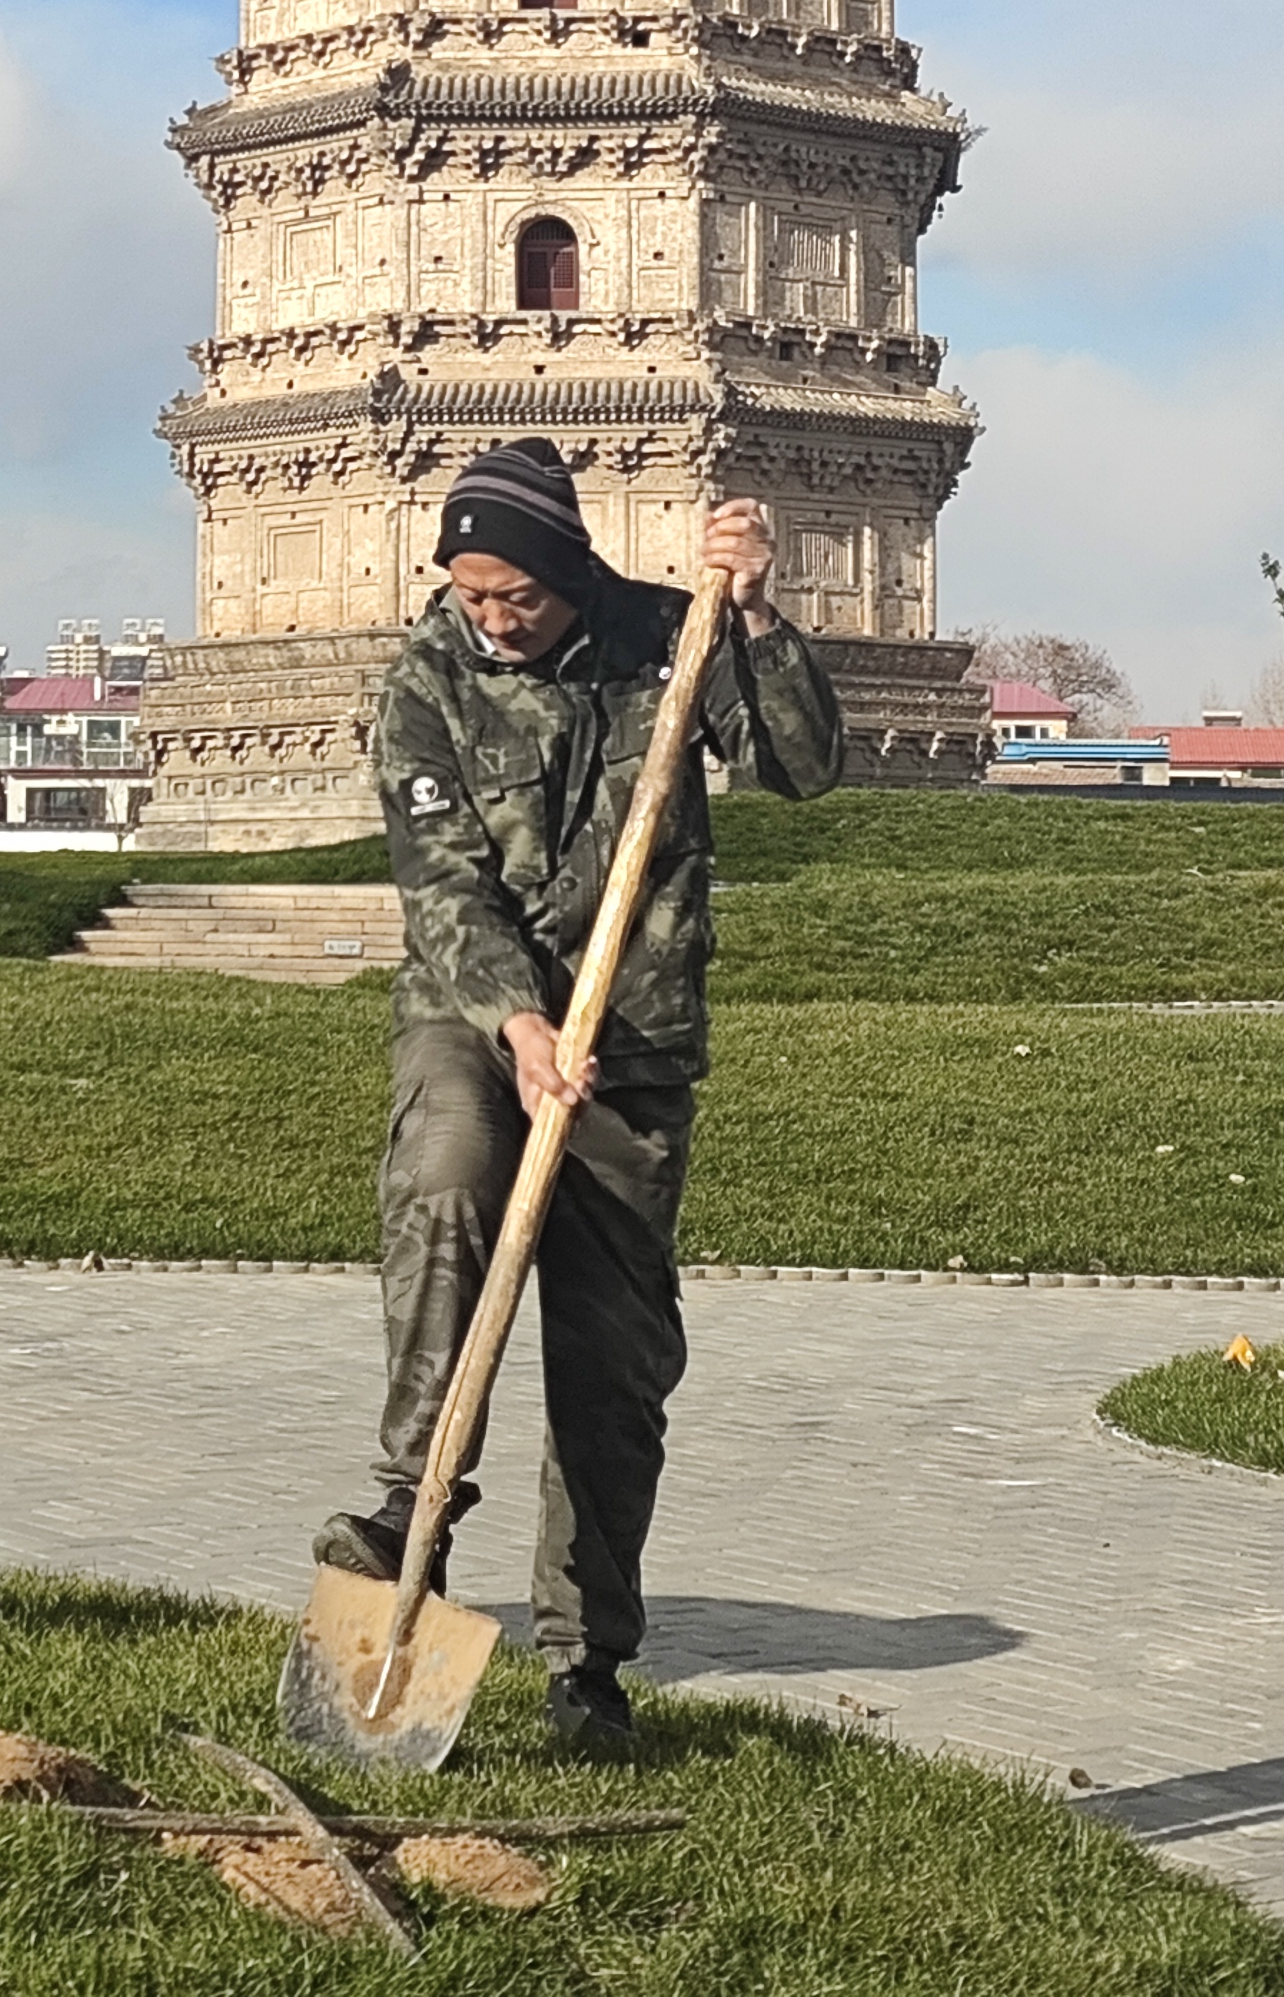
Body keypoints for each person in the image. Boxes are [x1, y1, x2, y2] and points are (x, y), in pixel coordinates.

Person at [316, 439, 840, 1751]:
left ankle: (587, 1660)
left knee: (612, 1366)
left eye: (519, 598)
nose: (495, 619)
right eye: (474, 593)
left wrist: (759, 613)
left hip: (635, 1037)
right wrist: (519, 1019)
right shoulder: (427, 678)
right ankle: (406, 1516)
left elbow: (802, 764)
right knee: (444, 1181)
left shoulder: (671, 635)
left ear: (570, 573)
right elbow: (441, 882)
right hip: (473, 1014)